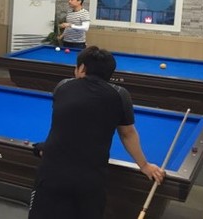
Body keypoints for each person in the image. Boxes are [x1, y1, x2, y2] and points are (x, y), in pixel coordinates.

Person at [28, 46, 165, 219]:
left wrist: (46, 148)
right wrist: (144, 165)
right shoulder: (120, 95)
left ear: (82, 68)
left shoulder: (62, 86)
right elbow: (127, 134)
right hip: (90, 179)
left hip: (51, 173)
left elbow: (68, 124)